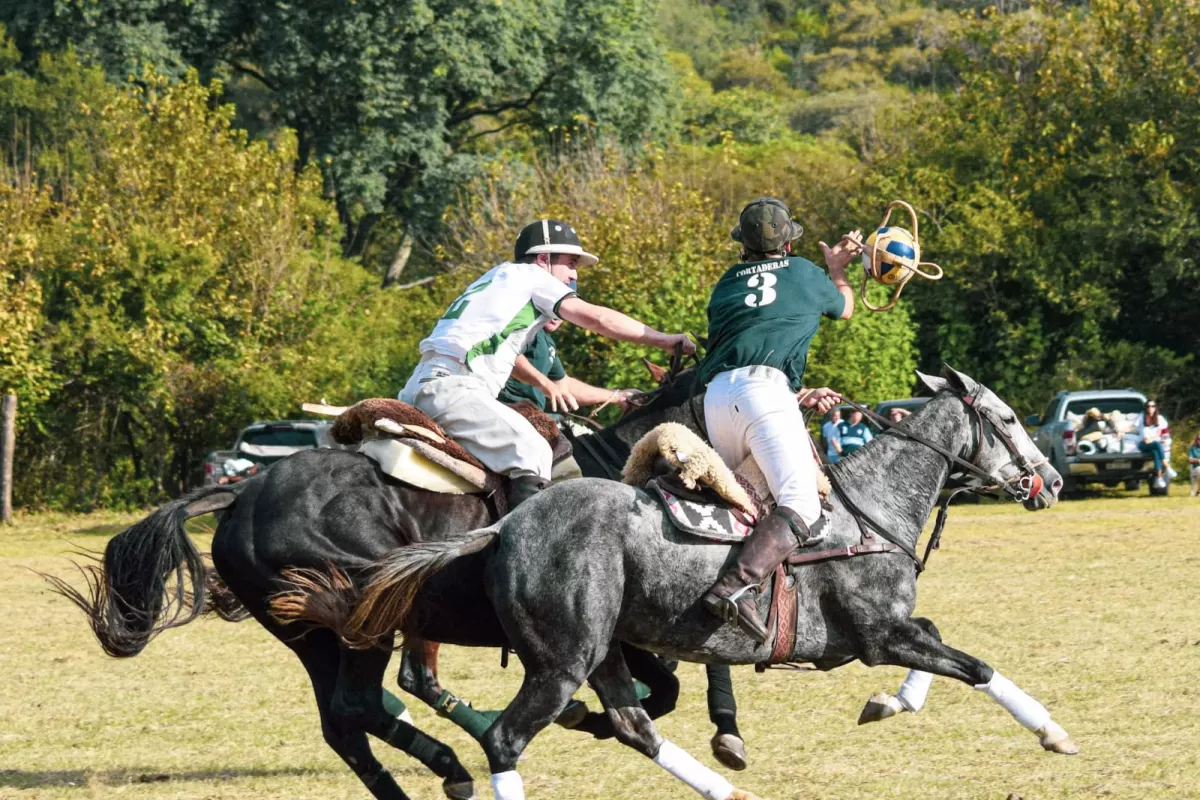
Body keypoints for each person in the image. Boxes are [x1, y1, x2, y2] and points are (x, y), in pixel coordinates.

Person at [399, 219, 694, 509]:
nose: (573, 275)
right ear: (543, 259)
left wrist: (614, 395)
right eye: (570, 263)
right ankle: (519, 555)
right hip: (455, 388)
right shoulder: (533, 277)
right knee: (533, 451)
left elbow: (516, 360)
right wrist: (664, 340)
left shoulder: (496, 278)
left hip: (424, 384)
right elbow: (597, 319)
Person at [699, 196, 861, 643]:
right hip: (765, 395)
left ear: (743, 248)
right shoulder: (806, 273)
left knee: (748, 504)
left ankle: (750, 592)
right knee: (803, 504)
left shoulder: (727, 283)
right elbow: (845, 308)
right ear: (788, 244)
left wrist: (798, 397)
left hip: (717, 398)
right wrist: (837, 270)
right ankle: (732, 589)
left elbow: (747, 338)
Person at [499, 319, 642, 414]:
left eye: (560, 311)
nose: (556, 317)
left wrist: (617, 396)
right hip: (508, 408)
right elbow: (507, 353)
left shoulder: (548, 342)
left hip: (531, 416)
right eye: (553, 305)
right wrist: (546, 385)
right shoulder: (527, 327)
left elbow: (564, 385)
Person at [1134, 400, 1170, 480]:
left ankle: (1159, 478)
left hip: (1153, 443)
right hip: (1143, 444)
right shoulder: (1141, 416)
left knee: (1156, 452)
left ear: (1155, 408)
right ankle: (1167, 466)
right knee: (1157, 444)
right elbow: (1132, 427)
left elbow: (1158, 433)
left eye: (1153, 406)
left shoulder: (1159, 418)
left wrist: (1151, 439)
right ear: (1146, 408)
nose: (1150, 408)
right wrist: (1120, 431)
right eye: (1148, 406)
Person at [1187, 432, 1200, 497]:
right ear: (1196, 439)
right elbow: (1190, 459)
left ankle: (1198, 491)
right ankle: (1198, 491)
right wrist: (1198, 460)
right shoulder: (1193, 448)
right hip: (1195, 467)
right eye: (1199, 439)